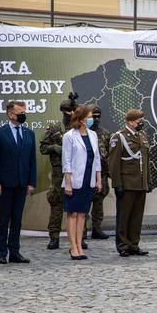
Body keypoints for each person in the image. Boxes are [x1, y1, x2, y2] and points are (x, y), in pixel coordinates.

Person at [0, 101, 37, 264]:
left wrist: (31, 182)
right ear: (10, 114)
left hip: (22, 183)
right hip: (4, 183)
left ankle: (14, 251)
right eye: (20, 112)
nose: (23, 114)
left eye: (24, 111)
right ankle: (1, 253)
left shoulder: (29, 133)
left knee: (17, 219)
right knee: (4, 219)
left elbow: (32, 160)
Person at [108, 109, 151, 257]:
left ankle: (134, 244)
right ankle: (123, 245)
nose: (142, 123)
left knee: (137, 216)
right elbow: (113, 163)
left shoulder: (143, 136)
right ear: (131, 122)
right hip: (126, 183)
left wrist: (147, 181)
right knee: (124, 216)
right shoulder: (119, 137)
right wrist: (117, 184)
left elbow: (145, 161)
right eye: (139, 121)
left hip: (140, 183)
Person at [62, 105, 102, 260]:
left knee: (82, 214)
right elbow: (66, 161)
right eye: (90, 116)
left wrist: (98, 179)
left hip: (89, 179)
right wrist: (68, 183)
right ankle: (73, 247)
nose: (92, 119)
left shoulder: (93, 135)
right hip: (74, 180)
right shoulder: (69, 136)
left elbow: (97, 159)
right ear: (82, 118)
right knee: (72, 214)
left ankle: (80, 245)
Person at [40, 99, 75, 250]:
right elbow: (43, 148)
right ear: (63, 111)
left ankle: (79, 237)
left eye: (74, 110)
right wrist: (55, 147)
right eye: (68, 110)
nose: (71, 113)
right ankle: (54, 237)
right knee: (56, 203)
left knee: (77, 205)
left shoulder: (79, 128)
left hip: (76, 170)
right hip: (58, 172)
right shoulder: (55, 128)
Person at [87, 105, 111, 241]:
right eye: (93, 116)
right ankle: (82, 231)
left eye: (98, 116)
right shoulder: (81, 133)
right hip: (86, 172)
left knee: (99, 202)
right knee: (84, 203)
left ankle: (96, 228)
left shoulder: (105, 133)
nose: (96, 119)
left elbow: (110, 154)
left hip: (101, 174)